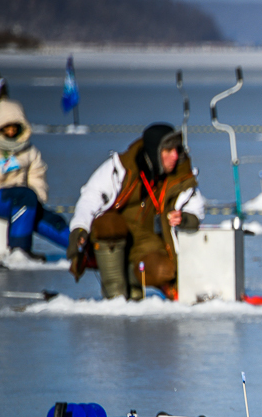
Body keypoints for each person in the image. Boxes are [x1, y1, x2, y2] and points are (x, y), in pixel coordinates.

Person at [68, 123, 205, 299]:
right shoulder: (121, 167)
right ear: (155, 151)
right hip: (113, 232)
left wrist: (185, 218)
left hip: (148, 240)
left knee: (164, 270)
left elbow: (195, 208)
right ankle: (116, 295)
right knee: (109, 224)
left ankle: (131, 280)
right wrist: (80, 227)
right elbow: (91, 197)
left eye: (177, 150)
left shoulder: (181, 175)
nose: (175, 156)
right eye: (168, 151)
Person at [0, 99, 69, 259]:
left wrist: (36, 198)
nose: (11, 132)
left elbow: (37, 176)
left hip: (21, 198)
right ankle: (19, 250)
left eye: (15, 127)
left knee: (51, 219)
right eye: (6, 128)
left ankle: (86, 249)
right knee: (23, 197)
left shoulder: (28, 150)